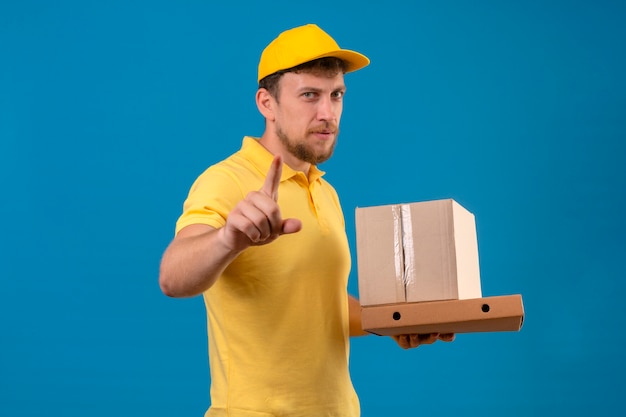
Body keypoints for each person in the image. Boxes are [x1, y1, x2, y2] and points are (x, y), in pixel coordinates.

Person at [159, 23, 454, 417]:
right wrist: (228, 239)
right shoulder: (227, 180)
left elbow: (321, 302)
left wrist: (393, 321)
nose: (327, 113)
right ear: (267, 103)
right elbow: (173, 277)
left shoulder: (324, 190)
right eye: (310, 95)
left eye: (336, 95)